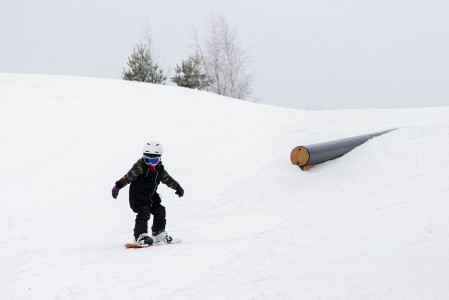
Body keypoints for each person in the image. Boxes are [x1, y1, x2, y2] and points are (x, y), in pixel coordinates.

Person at [111, 141, 184, 246]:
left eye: (154, 160)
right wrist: (117, 186)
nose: (151, 163)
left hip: (151, 196)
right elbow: (128, 177)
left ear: (159, 159)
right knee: (144, 212)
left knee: (160, 210)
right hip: (138, 197)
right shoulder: (140, 167)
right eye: (147, 159)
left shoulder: (159, 169)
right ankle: (140, 236)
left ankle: (158, 234)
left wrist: (177, 187)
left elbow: (167, 179)